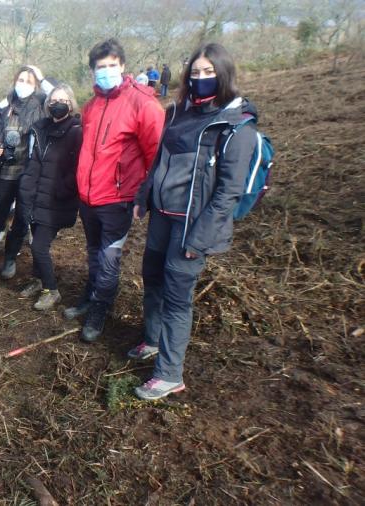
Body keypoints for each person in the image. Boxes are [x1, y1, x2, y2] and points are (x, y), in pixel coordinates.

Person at [131, 43, 258, 400]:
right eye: (196, 72)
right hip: (163, 216)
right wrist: (144, 196)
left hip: (193, 225)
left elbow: (228, 192)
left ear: (223, 75)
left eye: (208, 72)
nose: (200, 79)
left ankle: (169, 373)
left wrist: (199, 237)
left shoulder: (236, 124)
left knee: (176, 296)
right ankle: (152, 340)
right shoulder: (177, 113)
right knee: (152, 279)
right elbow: (159, 160)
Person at [67, 39, 165, 343]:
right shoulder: (91, 106)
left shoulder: (143, 103)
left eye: (111, 65)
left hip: (118, 199)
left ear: (122, 66)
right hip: (89, 197)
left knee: (109, 259)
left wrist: (143, 196)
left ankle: (100, 308)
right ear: (93, 71)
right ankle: (90, 294)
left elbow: (158, 155)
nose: (106, 71)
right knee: (93, 252)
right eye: (100, 67)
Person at [0, 65, 54, 279]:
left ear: (35, 85)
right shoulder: (3, 106)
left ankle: (10, 259)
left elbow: (59, 98)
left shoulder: (43, 106)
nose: (23, 84)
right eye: (21, 79)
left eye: (29, 81)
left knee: (21, 218)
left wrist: (41, 76)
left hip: (28, 174)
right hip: (3, 172)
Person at [18, 85, 83, 311]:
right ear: (48, 104)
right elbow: (32, 163)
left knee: (39, 247)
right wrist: (26, 191)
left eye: (63, 100)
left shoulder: (76, 131)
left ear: (71, 103)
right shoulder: (40, 129)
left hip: (57, 201)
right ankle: (38, 280)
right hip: (36, 197)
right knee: (35, 240)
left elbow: (78, 169)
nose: (58, 104)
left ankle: (51, 289)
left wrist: (62, 190)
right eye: (54, 100)